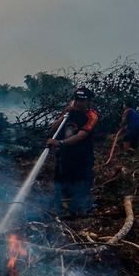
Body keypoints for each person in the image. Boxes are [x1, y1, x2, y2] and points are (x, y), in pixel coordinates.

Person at [46, 87, 99, 217]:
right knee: (62, 182)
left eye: (82, 100)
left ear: (89, 101)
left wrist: (60, 143)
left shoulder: (91, 116)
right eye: (76, 99)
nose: (78, 102)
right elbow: (53, 128)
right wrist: (65, 113)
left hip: (82, 158)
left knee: (81, 183)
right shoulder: (68, 113)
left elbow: (81, 135)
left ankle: (78, 209)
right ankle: (62, 208)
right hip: (65, 156)